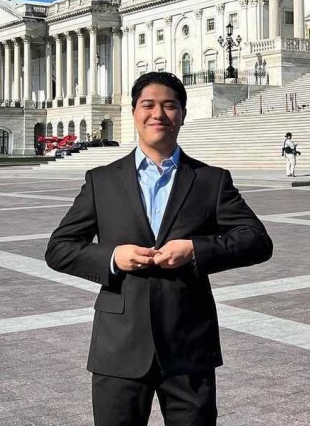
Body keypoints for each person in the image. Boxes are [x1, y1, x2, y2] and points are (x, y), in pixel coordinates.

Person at [45, 71, 273, 426]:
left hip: (188, 343)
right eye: (148, 105)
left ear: (182, 113)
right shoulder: (101, 181)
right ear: (134, 112)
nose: (158, 114)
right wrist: (113, 257)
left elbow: (257, 240)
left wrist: (196, 250)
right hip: (119, 345)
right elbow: (59, 248)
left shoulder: (211, 180)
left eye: (169, 105)